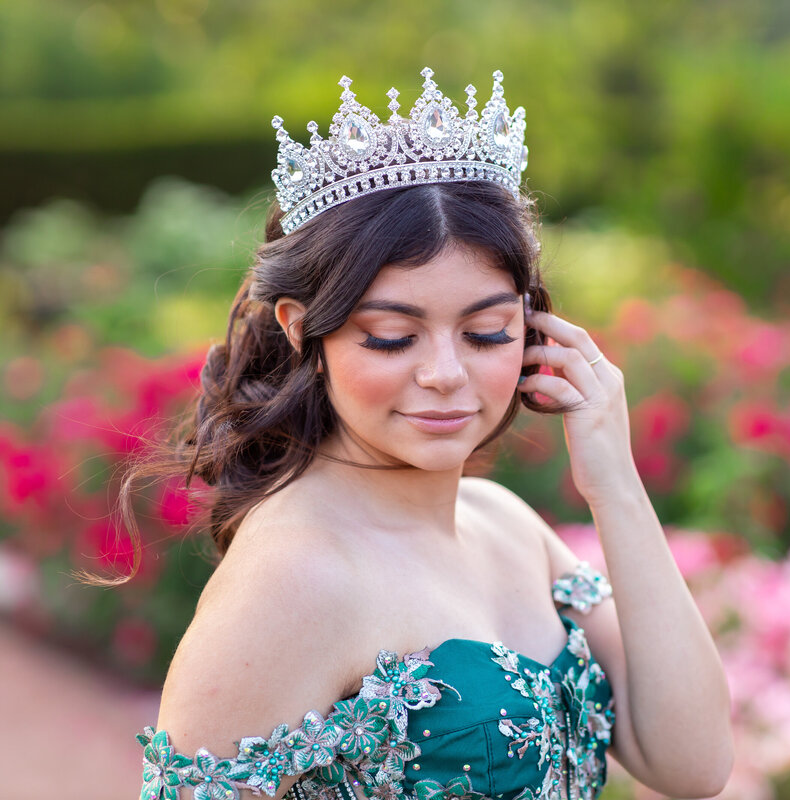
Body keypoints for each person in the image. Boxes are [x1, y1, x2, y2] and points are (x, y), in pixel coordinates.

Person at [134, 69, 733, 800]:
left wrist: (616, 484)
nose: (446, 373)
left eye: (487, 332)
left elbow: (693, 765)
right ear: (302, 331)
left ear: (533, 328)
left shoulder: (506, 524)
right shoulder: (294, 575)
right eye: (392, 337)